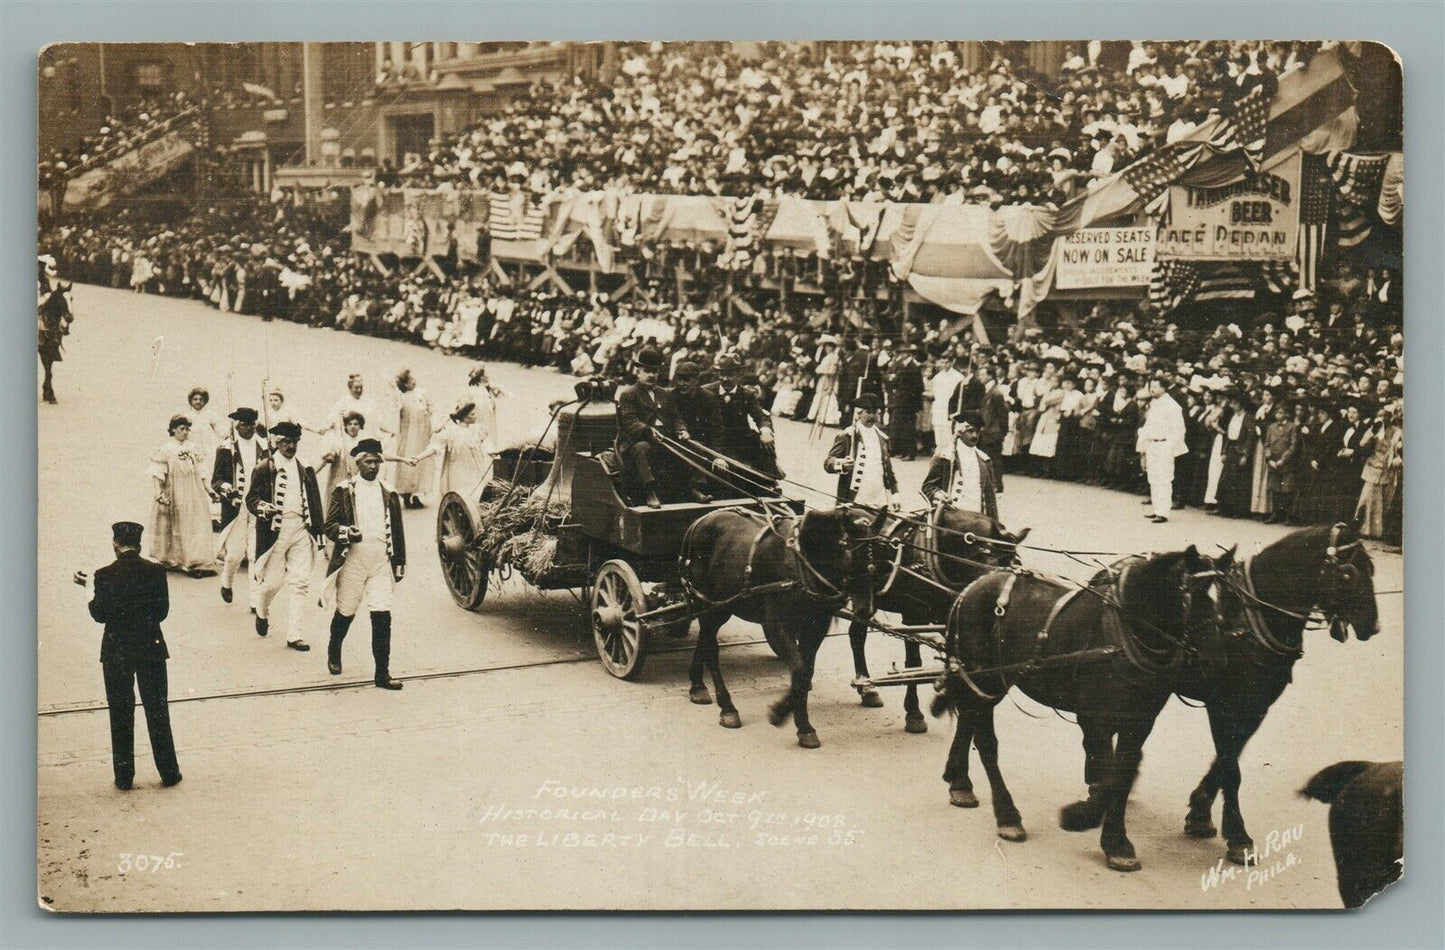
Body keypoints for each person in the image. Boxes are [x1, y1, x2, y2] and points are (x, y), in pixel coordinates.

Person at [76, 521, 181, 790]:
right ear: (140, 544)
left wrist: (90, 588)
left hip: (116, 651)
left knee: (120, 713)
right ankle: (169, 772)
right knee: (157, 710)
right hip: (151, 648)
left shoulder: (103, 575)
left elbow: (99, 614)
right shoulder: (156, 571)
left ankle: (124, 777)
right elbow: (161, 613)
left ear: (115, 544)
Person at [321, 439, 407, 690]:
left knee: (382, 616)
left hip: (380, 561)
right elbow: (329, 526)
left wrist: (399, 561)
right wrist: (347, 533)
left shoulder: (389, 492)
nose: (373, 466)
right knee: (346, 611)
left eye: (376, 461)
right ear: (357, 463)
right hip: (353, 561)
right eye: (367, 461)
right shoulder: (344, 490)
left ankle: (382, 673)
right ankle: (334, 646)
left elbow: (398, 531)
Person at [246, 421, 324, 652]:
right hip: (275, 532)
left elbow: (315, 501)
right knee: (272, 584)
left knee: (300, 582)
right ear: (276, 443)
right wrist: (262, 506)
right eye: (286, 442)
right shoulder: (264, 468)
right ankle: (262, 609)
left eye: (294, 442)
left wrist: (318, 531)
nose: (290, 446)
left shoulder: (305, 467)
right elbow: (251, 499)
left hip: (300, 528)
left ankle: (295, 634)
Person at [616, 347, 690, 508]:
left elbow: (676, 417)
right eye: (647, 371)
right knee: (643, 448)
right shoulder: (629, 394)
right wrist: (647, 430)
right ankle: (650, 492)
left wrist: (682, 430)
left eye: (654, 372)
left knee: (689, 446)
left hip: (664, 440)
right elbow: (630, 422)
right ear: (638, 372)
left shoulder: (665, 393)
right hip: (637, 441)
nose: (651, 375)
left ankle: (693, 489)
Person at [146, 415, 218, 575]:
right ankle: (173, 560)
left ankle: (195, 562)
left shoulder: (194, 448)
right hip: (173, 490)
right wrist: (158, 493)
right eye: (181, 429)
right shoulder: (165, 449)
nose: (185, 432)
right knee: (174, 524)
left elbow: (202, 471)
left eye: (187, 429)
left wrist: (209, 490)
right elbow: (157, 473)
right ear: (173, 430)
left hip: (193, 491)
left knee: (194, 523)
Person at [212, 407, 268, 607]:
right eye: (244, 425)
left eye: (252, 424)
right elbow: (216, 481)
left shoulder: (264, 446)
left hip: (257, 506)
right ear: (236, 426)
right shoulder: (227, 448)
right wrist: (227, 489)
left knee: (255, 554)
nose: (248, 428)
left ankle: (255, 600)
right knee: (235, 554)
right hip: (236, 508)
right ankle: (227, 581)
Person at [408, 399, 495, 502]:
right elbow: (434, 448)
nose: (475, 416)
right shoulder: (451, 432)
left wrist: (496, 454)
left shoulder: (477, 430)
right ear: (464, 417)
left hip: (475, 469)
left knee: (476, 492)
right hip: (457, 471)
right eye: (472, 415)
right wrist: (418, 458)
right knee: (461, 493)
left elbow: (488, 445)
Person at [825, 393, 901, 509]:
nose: (872, 416)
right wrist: (842, 464)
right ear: (859, 414)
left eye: (875, 412)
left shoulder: (883, 438)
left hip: (879, 498)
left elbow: (888, 470)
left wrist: (895, 493)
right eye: (868, 412)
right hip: (854, 498)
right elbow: (828, 463)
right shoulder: (847, 435)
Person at [922, 419, 999, 519]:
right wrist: (940, 495)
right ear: (960, 432)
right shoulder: (945, 457)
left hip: (978, 518)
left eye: (978, 431)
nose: (975, 436)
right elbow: (927, 487)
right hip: (951, 517)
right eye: (970, 431)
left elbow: (990, 500)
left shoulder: (984, 460)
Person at [1135, 376, 1187, 523]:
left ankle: (1163, 512)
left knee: (1164, 478)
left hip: (1165, 445)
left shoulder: (1172, 406)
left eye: (1156, 386)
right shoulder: (1154, 405)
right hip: (1153, 444)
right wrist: (1143, 447)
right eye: (1151, 386)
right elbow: (1147, 427)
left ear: (1164, 388)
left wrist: (1171, 447)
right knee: (1154, 478)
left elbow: (1179, 429)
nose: (1152, 389)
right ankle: (1157, 509)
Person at [390, 369, 434, 508]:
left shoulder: (422, 394)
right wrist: (395, 390)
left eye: (413, 379)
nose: (413, 382)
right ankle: (406, 494)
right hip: (408, 435)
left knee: (421, 462)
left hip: (422, 434)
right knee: (408, 462)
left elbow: (431, 409)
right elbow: (394, 410)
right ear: (404, 384)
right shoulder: (402, 397)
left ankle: (417, 494)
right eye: (409, 381)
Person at [1261, 401, 1300, 524]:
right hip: (1273, 462)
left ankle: (1288, 516)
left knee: (1287, 490)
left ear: (1287, 414)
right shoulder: (1271, 427)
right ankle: (1275, 514)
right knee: (1275, 489)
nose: (1278, 415)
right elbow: (1266, 444)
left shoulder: (1292, 427)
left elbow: (1293, 446)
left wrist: (1283, 460)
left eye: (1281, 412)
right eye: (1277, 413)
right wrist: (1269, 459)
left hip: (1286, 463)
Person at [885, 344, 925, 460]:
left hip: (909, 402)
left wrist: (910, 397)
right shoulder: (901, 365)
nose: (901, 355)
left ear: (909, 353)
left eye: (903, 352)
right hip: (900, 400)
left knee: (908, 428)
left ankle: (910, 452)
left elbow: (919, 387)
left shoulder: (914, 366)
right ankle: (903, 450)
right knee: (901, 426)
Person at [929, 352, 964, 457]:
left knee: (949, 436)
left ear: (952, 362)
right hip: (938, 410)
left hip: (949, 410)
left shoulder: (958, 377)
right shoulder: (937, 377)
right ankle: (939, 455)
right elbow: (935, 395)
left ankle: (949, 457)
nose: (945, 365)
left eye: (947, 362)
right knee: (939, 436)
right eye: (942, 362)